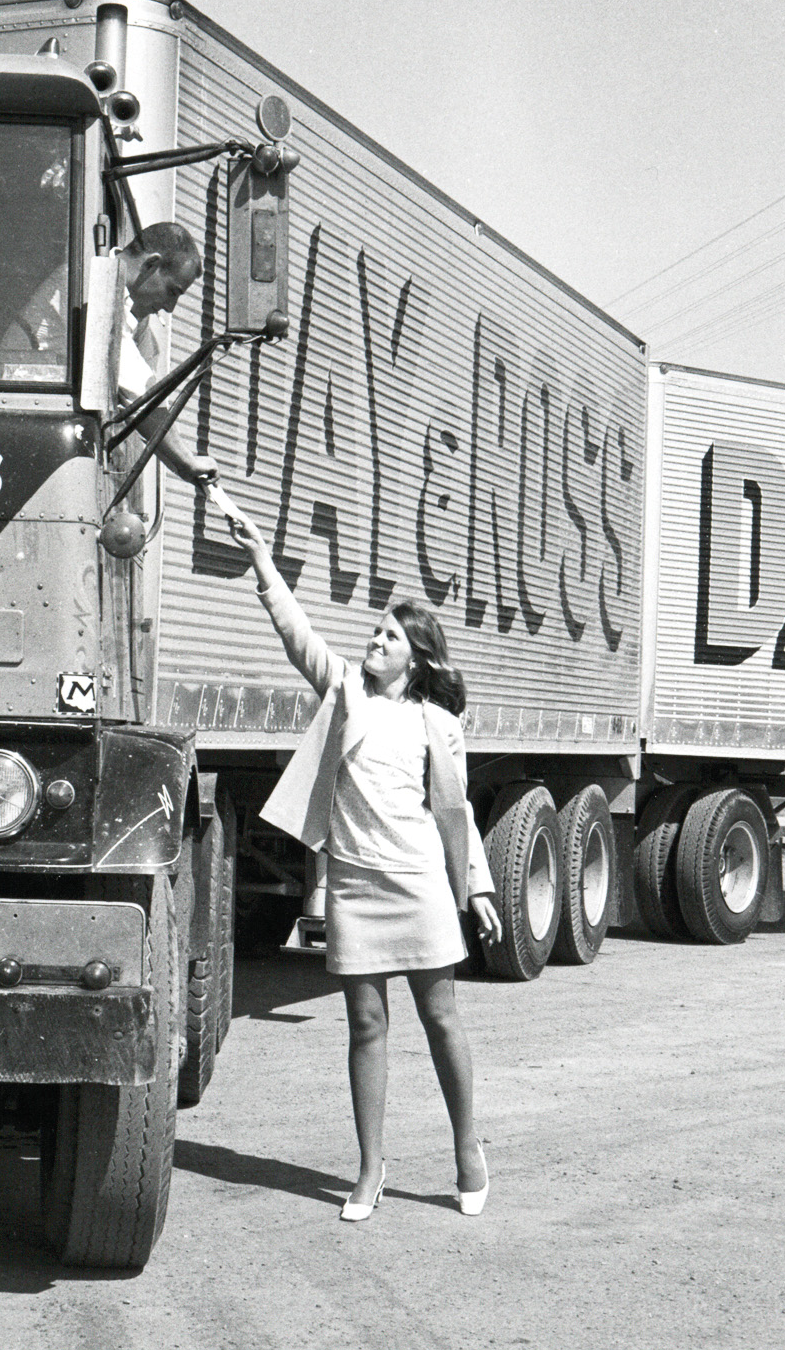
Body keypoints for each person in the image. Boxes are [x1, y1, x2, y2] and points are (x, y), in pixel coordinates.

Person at [219, 493, 503, 1221]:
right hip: (352, 884)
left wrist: (477, 889)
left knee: (441, 1020)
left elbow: (455, 812)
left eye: (388, 637)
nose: (373, 643)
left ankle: (468, 1148)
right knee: (366, 1026)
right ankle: (370, 1170)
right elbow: (297, 633)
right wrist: (260, 557)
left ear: (416, 657)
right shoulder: (345, 691)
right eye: (374, 633)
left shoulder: (438, 723)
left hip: (417, 886)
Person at [3, 221, 216, 484]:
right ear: (151, 265)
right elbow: (139, 389)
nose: (170, 308)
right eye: (172, 292)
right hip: (21, 425)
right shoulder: (88, 281)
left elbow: (145, 403)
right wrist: (187, 461)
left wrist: (184, 466)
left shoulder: (132, 312)